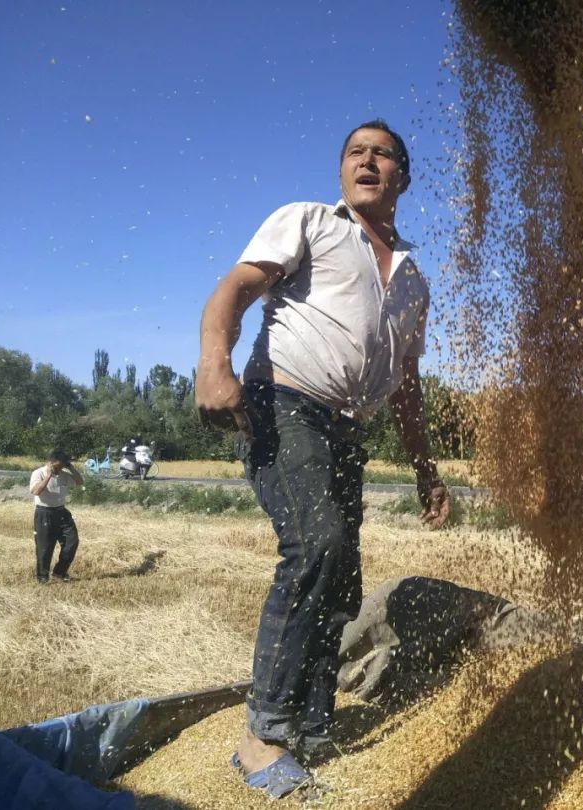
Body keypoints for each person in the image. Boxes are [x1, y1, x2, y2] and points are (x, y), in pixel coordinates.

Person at [196, 119, 450, 798]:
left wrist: (427, 471)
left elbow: (408, 384)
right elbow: (235, 290)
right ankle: (261, 738)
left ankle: (311, 726)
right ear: (342, 172)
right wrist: (214, 362)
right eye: (354, 153)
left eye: (383, 154)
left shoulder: (414, 280)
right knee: (317, 547)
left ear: (403, 176)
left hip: (345, 429)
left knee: (341, 575)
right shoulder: (308, 221)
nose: (367, 161)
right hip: (286, 403)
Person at [28, 450, 83, 584]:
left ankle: (59, 572)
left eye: (63, 466)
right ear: (51, 462)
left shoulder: (64, 475)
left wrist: (71, 468)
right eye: (57, 467)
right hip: (44, 513)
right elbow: (36, 491)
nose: (59, 470)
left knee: (72, 541)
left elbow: (79, 482)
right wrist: (48, 477)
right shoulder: (38, 473)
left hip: (62, 512)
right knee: (45, 547)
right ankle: (43, 578)